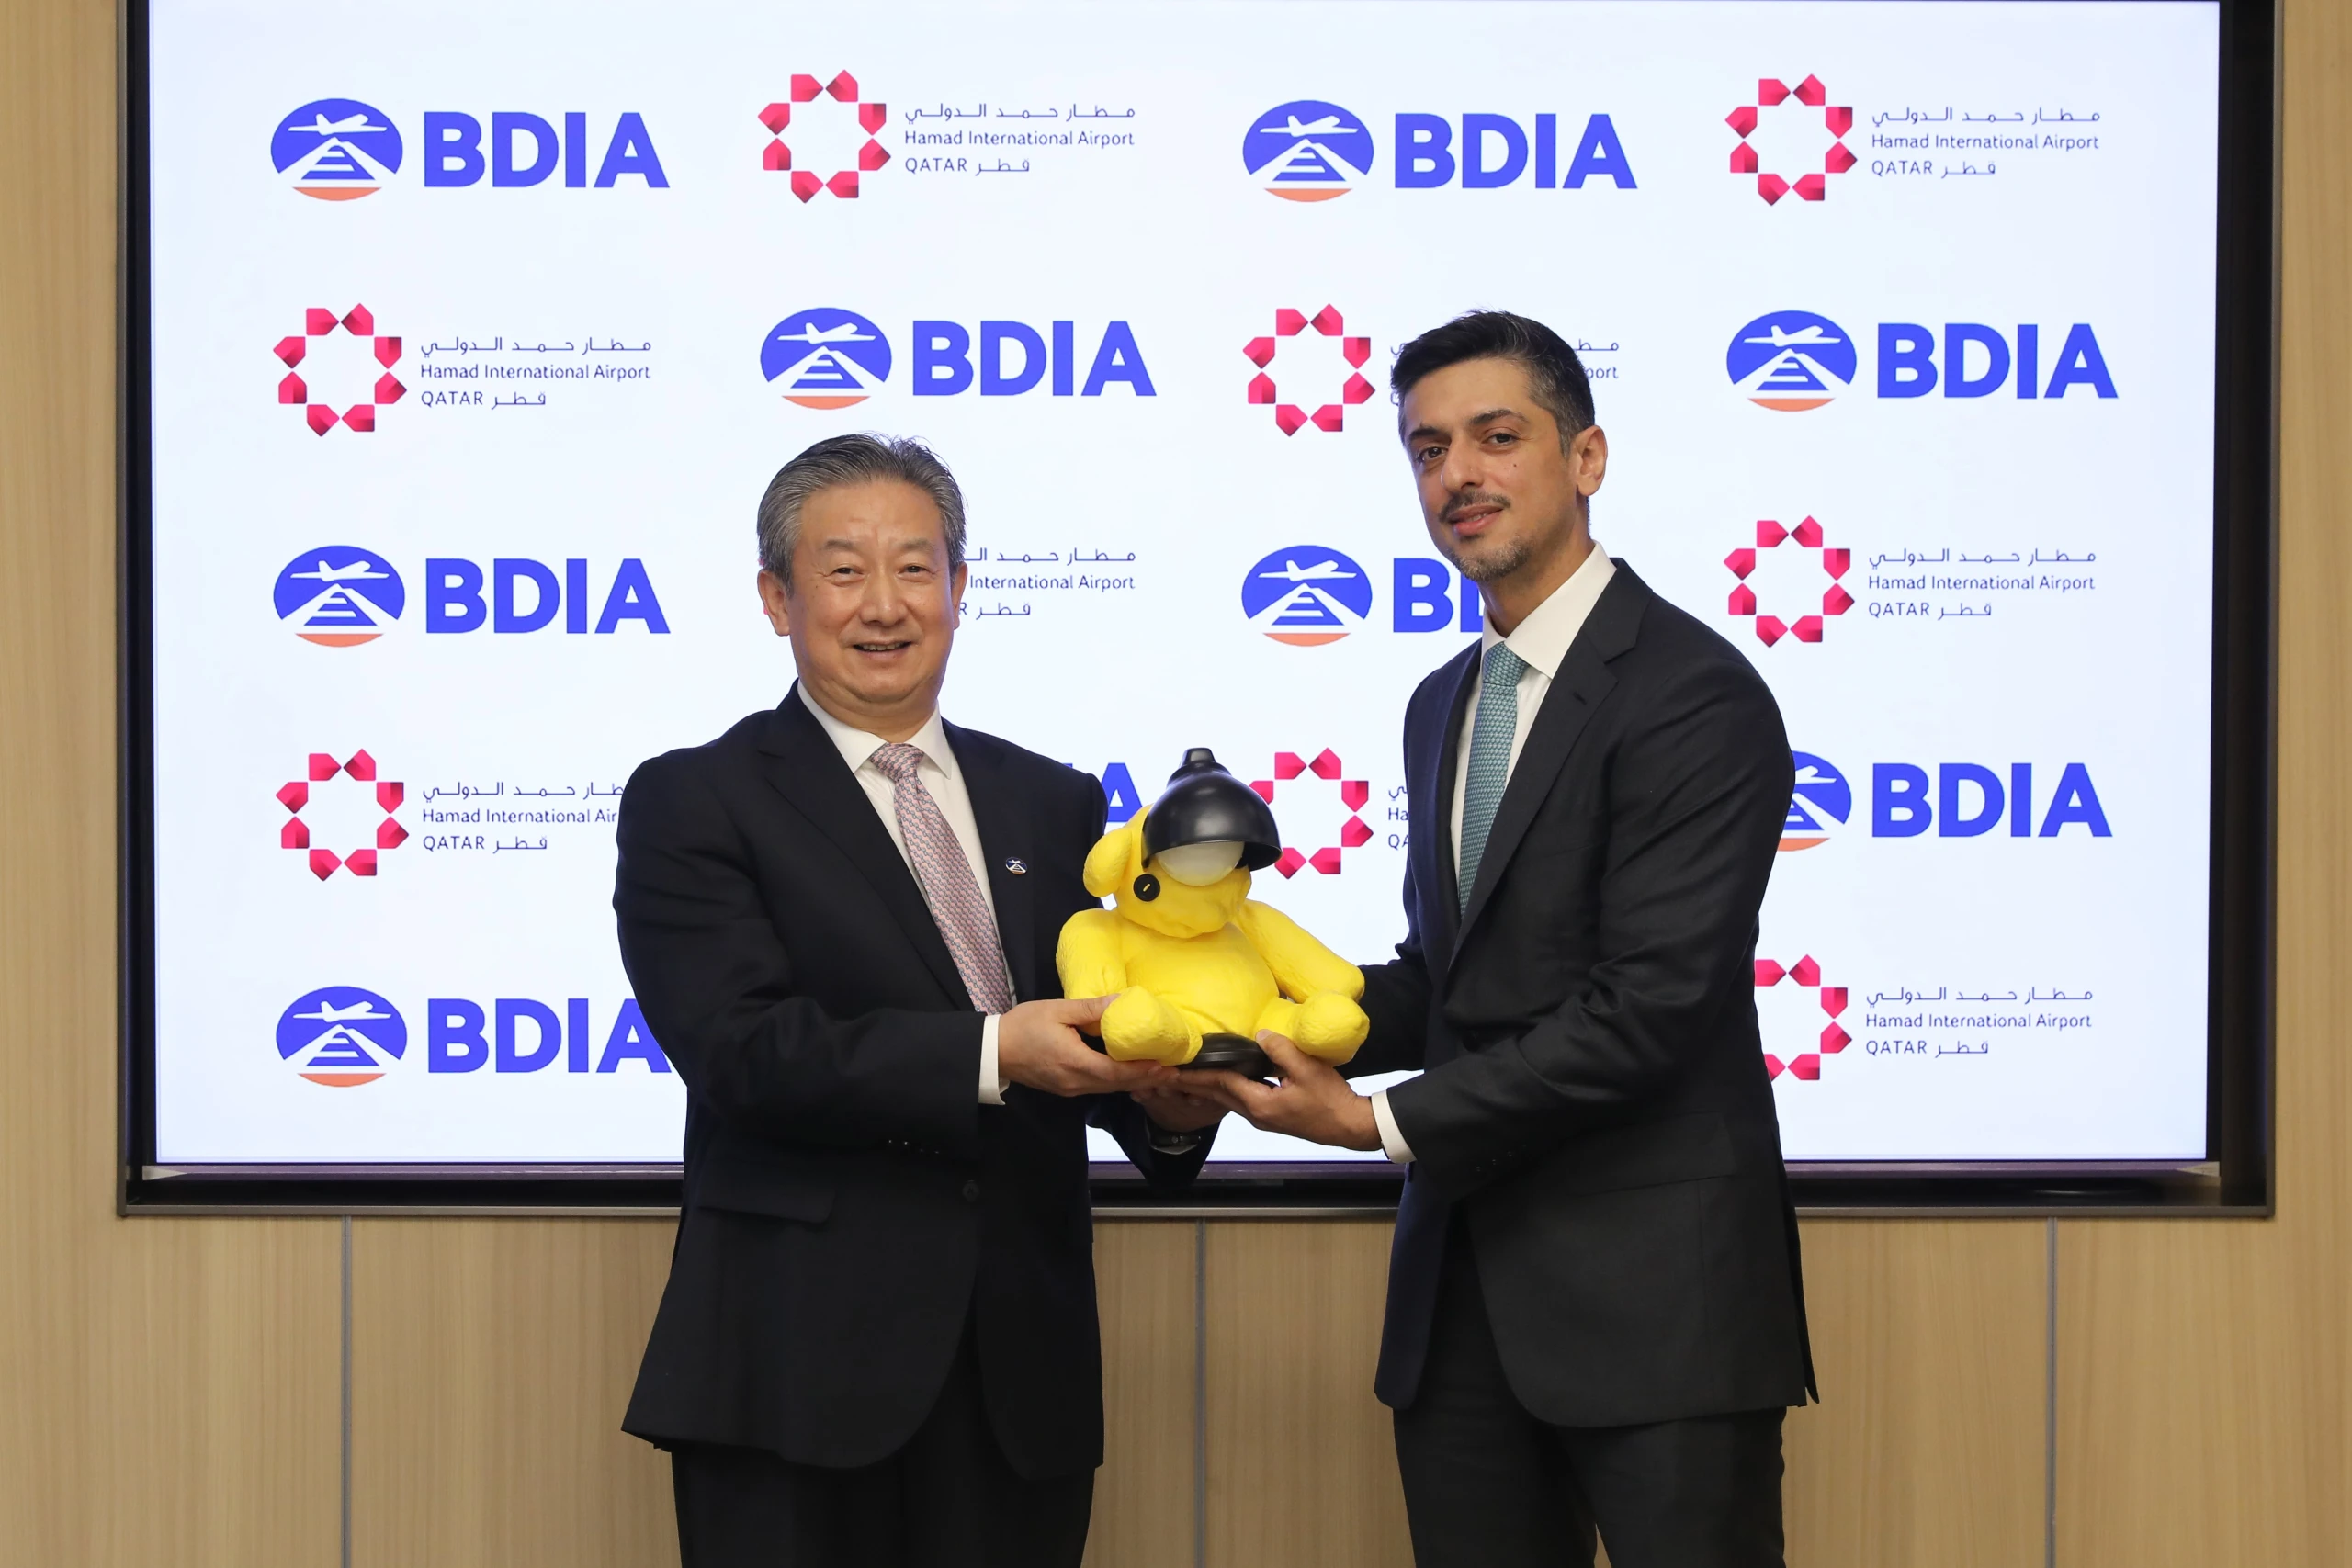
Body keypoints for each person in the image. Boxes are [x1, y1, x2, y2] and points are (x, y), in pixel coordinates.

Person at [1177, 311, 1814, 1567]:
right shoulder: (1446, 700)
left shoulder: (1693, 692)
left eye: (1496, 436)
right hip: (1463, 1305)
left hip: (1660, 1315)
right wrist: (1245, 1020)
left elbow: (1646, 1010)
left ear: (1587, 456)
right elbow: (1456, 982)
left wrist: (1375, 1121)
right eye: (1427, 449)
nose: (1457, 474)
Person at [613, 433, 1224, 1568]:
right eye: (844, 570)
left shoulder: (1052, 801)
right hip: (797, 1371)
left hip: (1020, 1377)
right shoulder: (696, 799)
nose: (884, 605)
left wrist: (1169, 1108)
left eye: (915, 567)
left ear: (959, 587)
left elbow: (1085, 1024)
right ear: (776, 598)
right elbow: (744, 1049)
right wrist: (992, 1054)